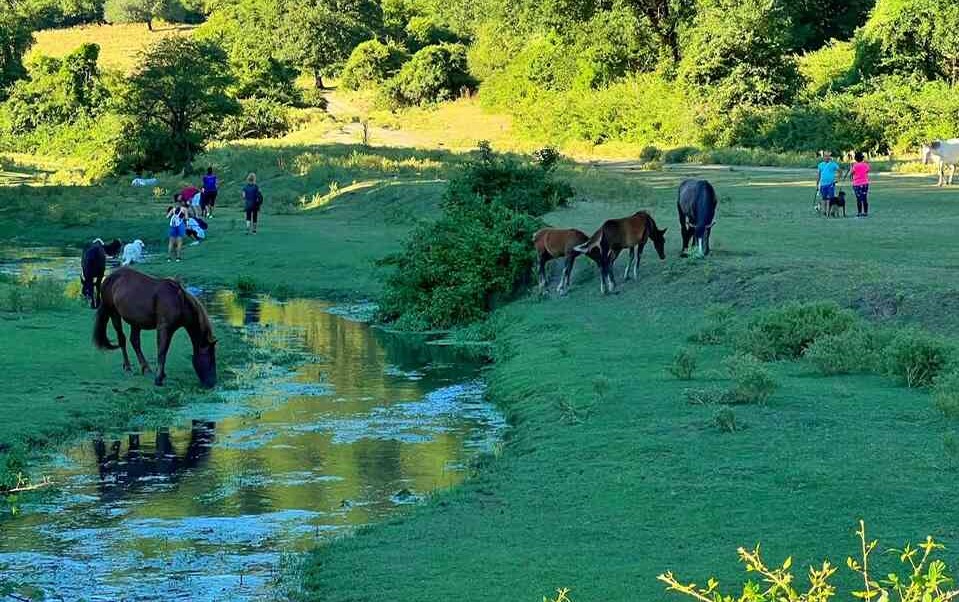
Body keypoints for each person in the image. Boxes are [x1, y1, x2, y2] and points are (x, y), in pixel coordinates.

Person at [849, 151, 871, 218]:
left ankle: (859, 212)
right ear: (862, 158)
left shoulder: (855, 166)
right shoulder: (865, 165)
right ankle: (865, 212)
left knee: (858, 198)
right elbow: (867, 171)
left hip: (857, 184)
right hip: (865, 183)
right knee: (864, 198)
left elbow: (851, 173)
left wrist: (851, 167)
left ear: (856, 159)